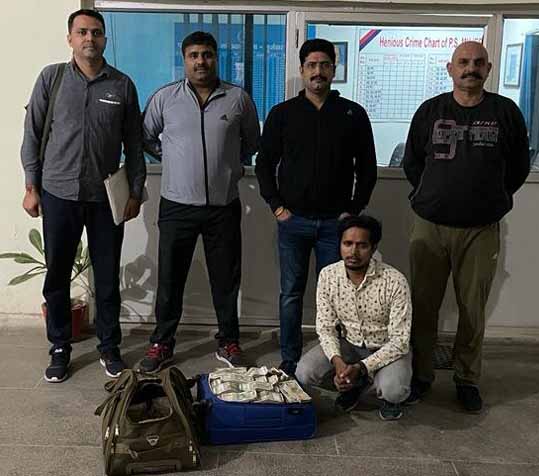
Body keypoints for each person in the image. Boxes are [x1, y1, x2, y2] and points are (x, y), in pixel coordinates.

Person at [403, 41, 530, 412]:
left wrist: (492, 198)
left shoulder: (505, 112)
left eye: (478, 62)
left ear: (488, 69)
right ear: (450, 68)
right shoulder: (430, 111)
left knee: (472, 310)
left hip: (480, 229)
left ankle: (467, 379)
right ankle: (421, 375)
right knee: (423, 306)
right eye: (463, 62)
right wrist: (433, 194)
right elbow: (413, 162)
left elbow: (518, 168)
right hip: (430, 226)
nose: (470, 68)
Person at [21, 9, 146, 382]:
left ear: (105, 38)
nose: (89, 38)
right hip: (58, 193)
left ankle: (109, 347)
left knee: (106, 277)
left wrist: (135, 191)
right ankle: (60, 346)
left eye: (96, 32)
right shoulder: (52, 78)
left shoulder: (122, 85)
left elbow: (134, 145)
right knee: (57, 275)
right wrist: (31, 186)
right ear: (70, 39)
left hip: (105, 197)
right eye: (82, 32)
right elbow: (33, 133)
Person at [138, 31, 260, 372]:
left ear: (216, 58)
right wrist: (172, 157)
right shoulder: (165, 98)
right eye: (193, 55)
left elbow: (252, 141)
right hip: (176, 205)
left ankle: (228, 341)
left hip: (223, 206)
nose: (200, 61)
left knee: (226, 279)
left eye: (206, 54)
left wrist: (229, 164)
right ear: (184, 60)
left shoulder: (237, 99)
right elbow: (146, 137)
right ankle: (162, 343)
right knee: (170, 278)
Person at [255, 38, 377, 376]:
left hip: (336, 226)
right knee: (291, 294)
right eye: (311, 65)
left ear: (334, 70)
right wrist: (277, 207)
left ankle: (333, 359)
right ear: (302, 70)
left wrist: (353, 210)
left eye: (324, 65)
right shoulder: (283, 114)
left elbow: (367, 168)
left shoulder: (352, 114)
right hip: (293, 222)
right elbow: (264, 164)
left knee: (336, 297)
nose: (318, 71)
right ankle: (290, 358)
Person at [296, 215, 412, 421]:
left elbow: (400, 341)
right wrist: (338, 363)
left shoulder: (395, 281)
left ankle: (385, 396)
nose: (353, 252)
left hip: (386, 349)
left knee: (394, 390)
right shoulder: (328, 276)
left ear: (374, 248)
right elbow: (326, 328)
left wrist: (361, 368)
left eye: (362, 245)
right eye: (347, 244)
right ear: (340, 244)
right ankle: (353, 385)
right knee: (304, 372)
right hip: (349, 345)